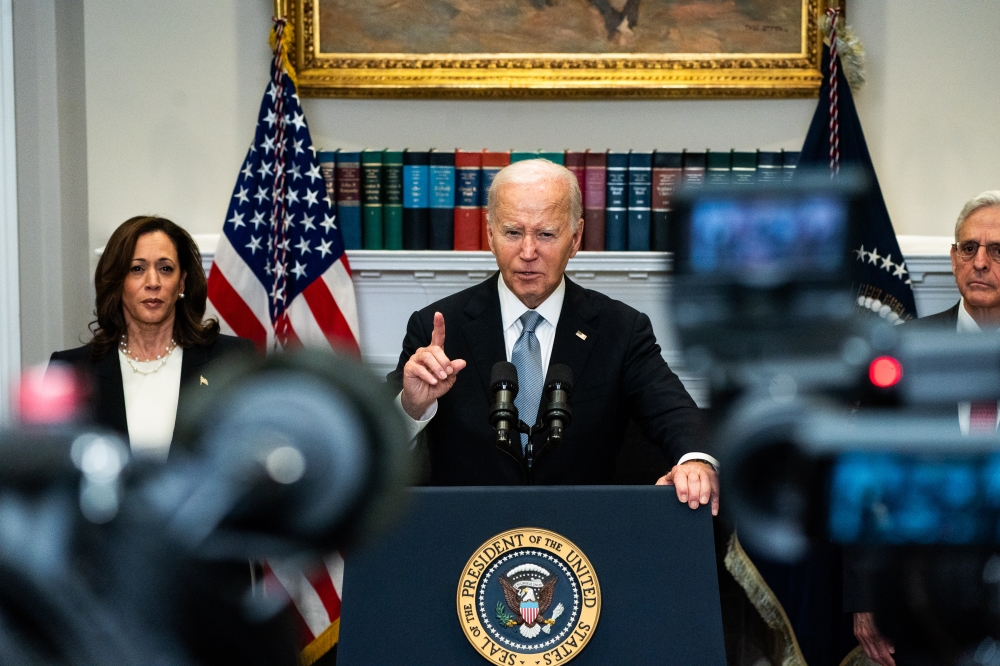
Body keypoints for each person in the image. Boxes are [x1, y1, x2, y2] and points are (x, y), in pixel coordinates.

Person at [389, 159, 719, 513]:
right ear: (490, 234)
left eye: (546, 234)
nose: (528, 253)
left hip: (584, 542)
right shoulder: (437, 328)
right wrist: (412, 404)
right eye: (513, 232)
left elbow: (675, 413)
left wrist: (696, 462)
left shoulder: (620, 329)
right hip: (467, 540)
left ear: (575, 238)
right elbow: (377, 441)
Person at [850, 190, 1000, 666]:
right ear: (954, 261)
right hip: (920, 601)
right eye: (969, 249)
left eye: (997, 251)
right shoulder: (901, 353)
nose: (980, 262)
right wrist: (865, 593)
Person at [50, 215, 253, 459]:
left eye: (165, 269)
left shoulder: (231, 360)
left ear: (181, 283)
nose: (153, 282)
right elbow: (53, 469)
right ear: (117, 281)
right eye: (137, 269)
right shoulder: (71, 371)